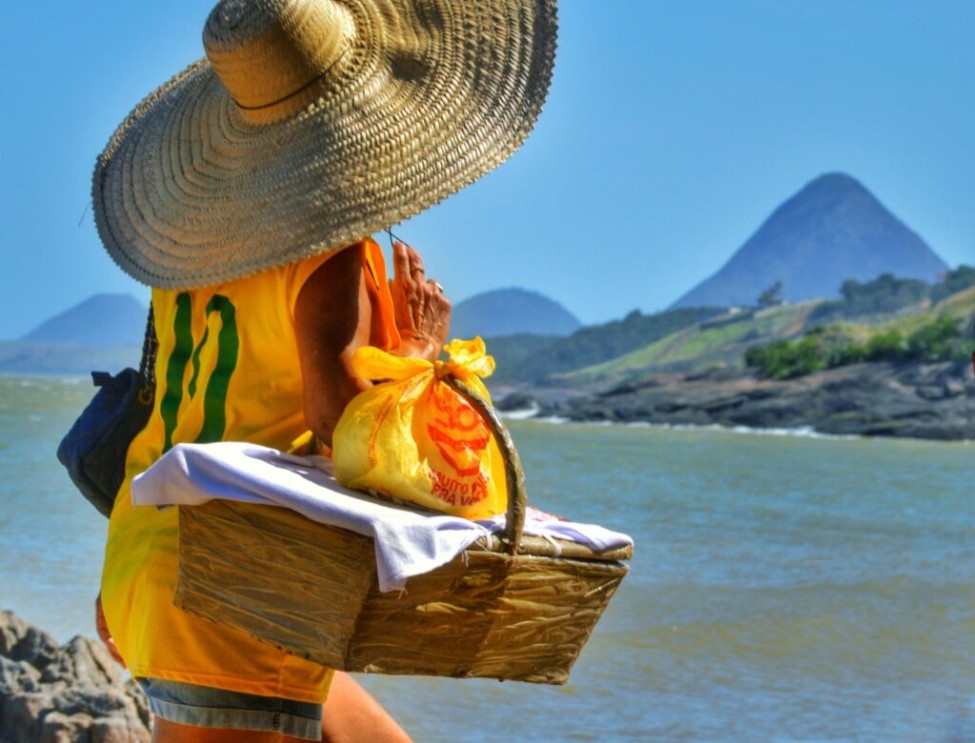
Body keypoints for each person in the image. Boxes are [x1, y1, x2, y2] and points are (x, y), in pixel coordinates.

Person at [89, 0, 557, 741]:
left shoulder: (193, 254)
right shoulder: (326, 250)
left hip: (157, 552)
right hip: (242, 577)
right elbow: (341, 428)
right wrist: (417, 356)